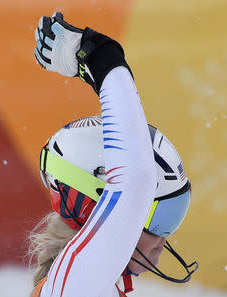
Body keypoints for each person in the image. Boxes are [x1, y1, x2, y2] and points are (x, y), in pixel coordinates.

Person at [29, 12, 198, 297]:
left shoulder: (85, 284)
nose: (164, 238)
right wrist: (102, 60)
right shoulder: (75, 286)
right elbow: (134, 182)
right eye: (158, 219)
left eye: (174, 216)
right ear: (95, 206)